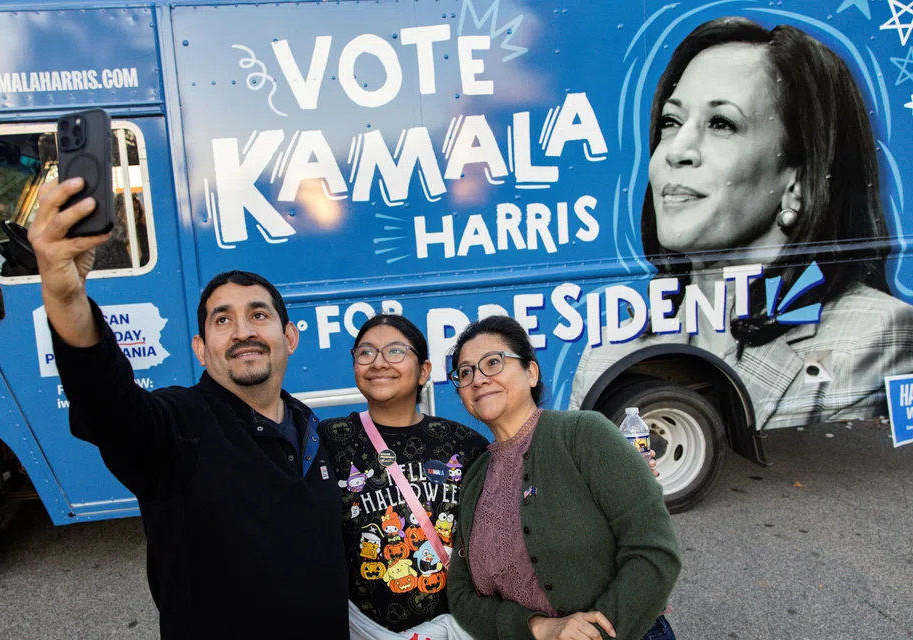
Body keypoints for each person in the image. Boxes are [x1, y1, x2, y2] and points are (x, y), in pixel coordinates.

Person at [27, 177, 348, 639]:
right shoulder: (178, 428)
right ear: (201, 349)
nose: (242, 332)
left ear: (290, 337)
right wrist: (65, 295)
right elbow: (107, 403)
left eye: (258, 315)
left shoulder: (310, 428)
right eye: (223, 320)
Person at [570, 17, 913, 430]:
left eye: (721, 124)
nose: (676, 151)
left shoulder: (873, 334)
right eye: (671, 122)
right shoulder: (610, 350)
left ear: (798, 180)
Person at [447, 315, 680, 640]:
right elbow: (460, 594)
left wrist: (595, 633)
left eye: (493, 362)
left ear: (531, 372)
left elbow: (654, 548)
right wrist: (537, 627)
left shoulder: (584, 434)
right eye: (465, 372)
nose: (478, 379)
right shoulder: (475, 479)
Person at [318, 314, 488, 639]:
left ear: (424, 370)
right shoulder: (328, 441)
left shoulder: (464, 445)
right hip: (362, 630)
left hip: (452, 626)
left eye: (395, 351)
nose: (379, 363)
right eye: (366, 353)